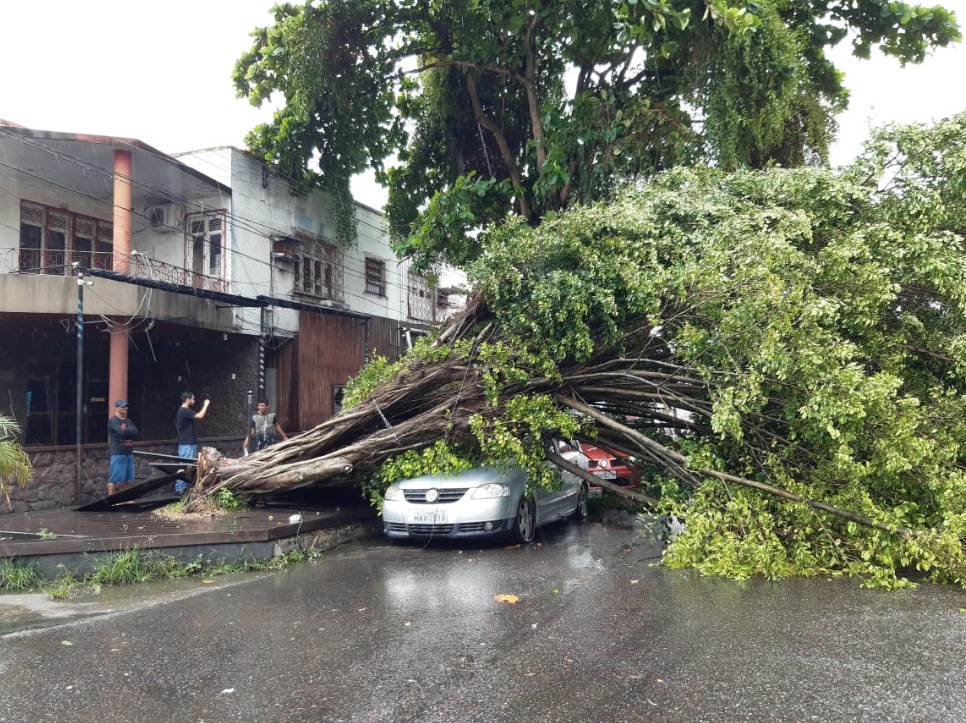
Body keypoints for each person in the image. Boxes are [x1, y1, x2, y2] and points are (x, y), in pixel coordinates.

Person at [174, 391, 210, 494]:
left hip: (189, 443)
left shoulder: (185, 411)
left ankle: (183, 488)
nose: (194, 401)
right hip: (186, 444)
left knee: (188, 466)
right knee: (185, 466)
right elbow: (200, 416)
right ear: (188, 399)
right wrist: (205, 405)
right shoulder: (184, 410)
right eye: (193, 399)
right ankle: (179, 489)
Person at [107, 399, 138, 496]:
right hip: (117, 452)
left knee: (126, 477)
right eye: (123, 407)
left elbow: (136, 432)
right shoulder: (113, 420)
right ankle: (110, 498)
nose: (125, 409)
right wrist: (128, 432)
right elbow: (122, 432)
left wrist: (127, 432)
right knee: (114, 477)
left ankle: (124, 498)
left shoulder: (128, 420)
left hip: (128, 452)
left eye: (126, 406)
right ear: (117, 408)